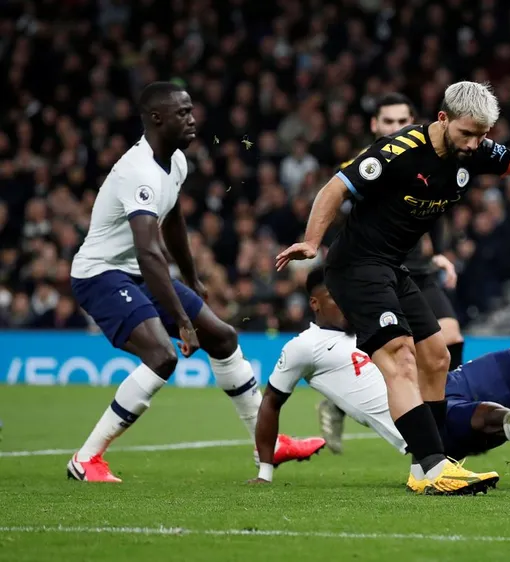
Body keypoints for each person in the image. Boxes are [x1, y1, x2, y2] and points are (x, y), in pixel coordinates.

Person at [276, 81, 510, 495]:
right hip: (355, 267)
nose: (474, 144)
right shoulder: (398, 151)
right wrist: (312, 242)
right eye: (466, 134)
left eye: (482, 135)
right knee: (401, 357)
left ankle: (426, 465)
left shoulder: (479, 149)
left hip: (393, 267)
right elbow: (335, 188)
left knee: (435, 358)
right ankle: (436, 469)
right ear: (442, 119)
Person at [67, 82, 324, 483]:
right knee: (163, 356)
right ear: (156, 119)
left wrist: (191, 278)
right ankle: (86, 459)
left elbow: (172, 221)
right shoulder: (138, 171)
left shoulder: (177, 162)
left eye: (191, 111)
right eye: (182, 113)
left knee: (221, 336)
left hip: (136, 272)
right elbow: (150, 252)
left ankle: (267, 443)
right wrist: (181, 319)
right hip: (100, 274)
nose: (192, 119)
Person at [248, 269, 510, 490]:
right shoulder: (304, 347)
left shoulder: (373, 315)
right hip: (424, 420)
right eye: (335, 296)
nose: (346, 301)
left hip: (450, 382)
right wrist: (264, 472)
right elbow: (271, 402)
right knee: (495, 417)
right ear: (315, 304)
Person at [319, 93, 465, 455]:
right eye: (388, 122)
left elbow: (433, 208)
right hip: (371, 269)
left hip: (417, 268)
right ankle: (350, 404)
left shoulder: (432, 158)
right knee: (393, 355)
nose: (395, 128)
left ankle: (442, 420)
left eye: (403, 121)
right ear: (375, 126)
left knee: (450, 339)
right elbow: (342, 208)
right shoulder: (369, 163)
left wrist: (441, 254)